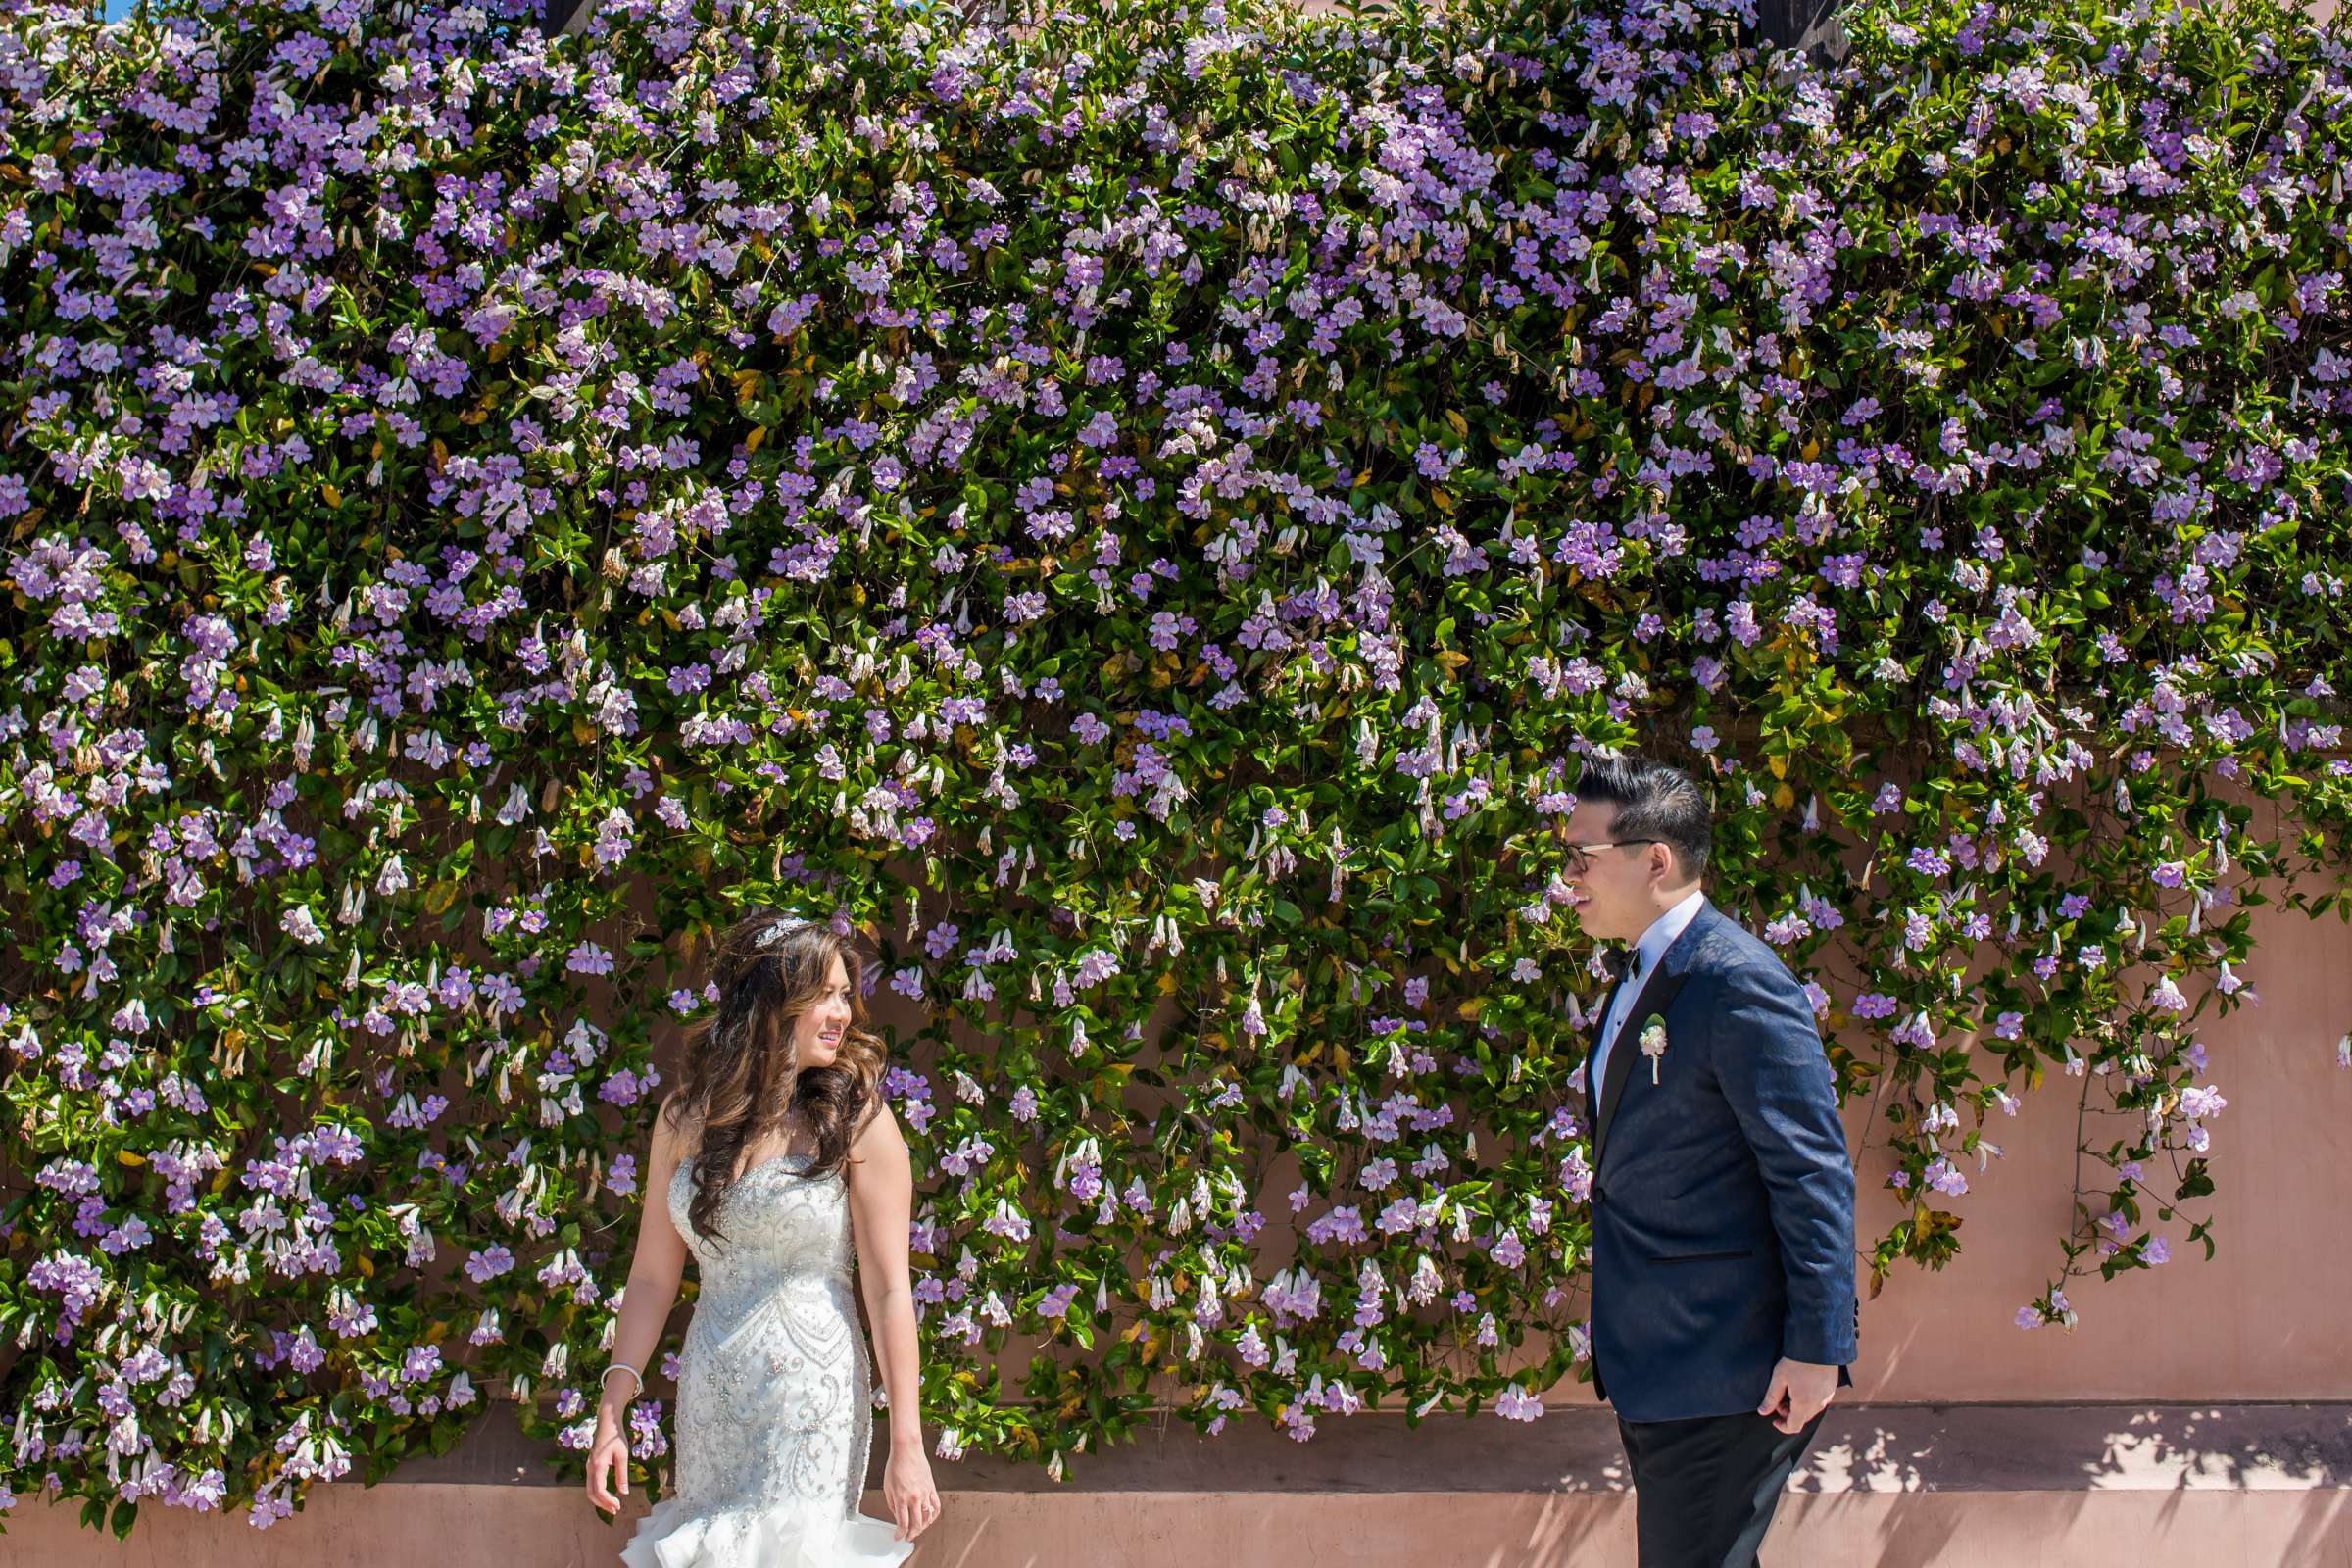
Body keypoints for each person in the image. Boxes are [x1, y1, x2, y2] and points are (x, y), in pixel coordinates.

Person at [1560, 754, 1857, 1567]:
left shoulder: (1736, 981)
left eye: (1580, 857)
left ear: (1655, 859)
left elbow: (1811, 1169)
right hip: (1662, 1356)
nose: (1567, 878)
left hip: (1732, 1365)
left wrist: (1819, 1345)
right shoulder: (1643, 973)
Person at [585, 908, 941, 1562]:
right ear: (772, 1004)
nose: (843, 1013)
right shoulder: (685, 1118)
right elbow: (650, 1277)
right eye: (823, 996)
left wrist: (908, 1446)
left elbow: (891, 1289)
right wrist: (613, 1408)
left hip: (812, 1390)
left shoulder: (857, 1119)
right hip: (713, 1390)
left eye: (845, 994)